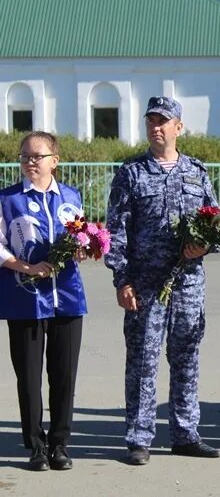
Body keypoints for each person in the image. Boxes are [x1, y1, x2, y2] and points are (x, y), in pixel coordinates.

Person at [105, 96, 220, 465]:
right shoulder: (131, 172)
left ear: (178, 127)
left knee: (186, 356)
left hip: (188, 282)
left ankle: (186, 434)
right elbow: (116, 231)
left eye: (164, 121)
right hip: (145, 283)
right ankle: (139, 438)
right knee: (142, 361)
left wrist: (201, 246)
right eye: (151, 121)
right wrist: (122, 280)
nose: (156, 127)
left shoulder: (196, 172)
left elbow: (215, 223)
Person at [0, 132, 87, 471]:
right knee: (29, 376)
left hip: (67, 297)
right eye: (24, 156)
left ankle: (60, 444)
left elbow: (78, 236)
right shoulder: (7, 199)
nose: (29, 162)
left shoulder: (70, 196)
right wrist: (27, 266)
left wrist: (85, 248)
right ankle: (36, 445)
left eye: (37, 156)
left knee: (64, 375)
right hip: (25, 299)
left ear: (55, 160)